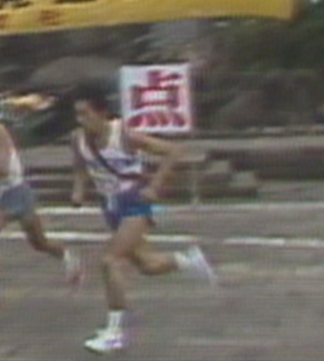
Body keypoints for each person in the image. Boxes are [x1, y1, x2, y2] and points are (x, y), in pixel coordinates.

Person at [70, 84, 217, 354]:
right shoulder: (78, 139)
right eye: (78, 115)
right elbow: (80, 164)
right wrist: (79, 189)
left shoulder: (124, 135)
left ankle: (116, 331)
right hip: (110, 207)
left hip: (135, 203)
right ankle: (188, 260)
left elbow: (174, 151)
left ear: (102, 112)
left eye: (86, 114)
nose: (81, 120)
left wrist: (156, 185)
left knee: (109, 260)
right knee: (148, 265)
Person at [0, 91, 83, 314]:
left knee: (39, 243)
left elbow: (2, 168)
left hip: (16, 193)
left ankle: (67, 256)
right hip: (1, 196)